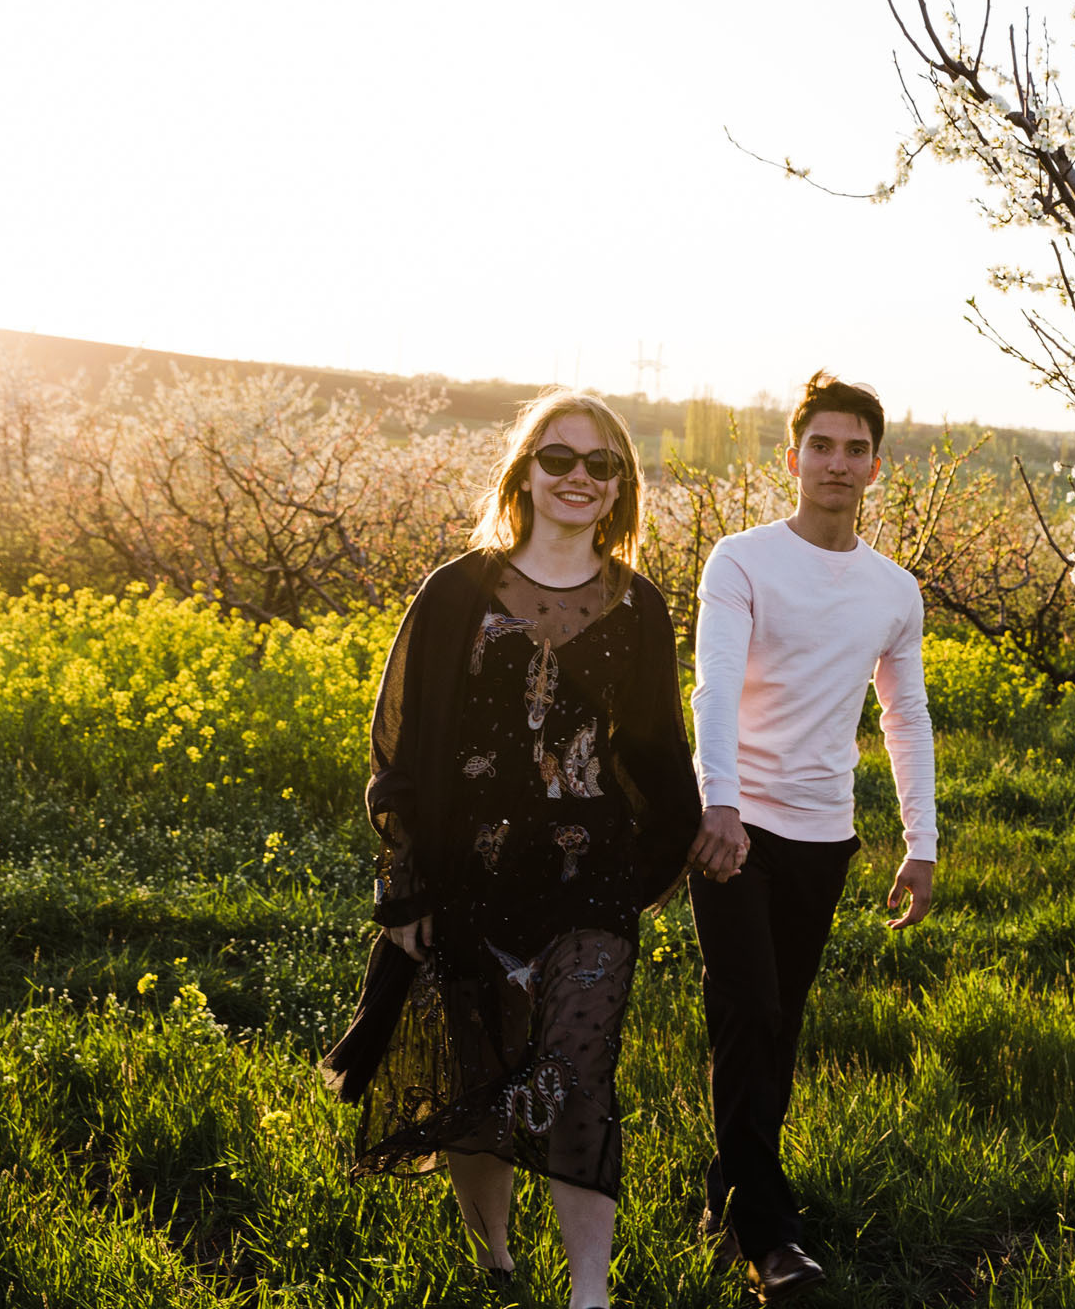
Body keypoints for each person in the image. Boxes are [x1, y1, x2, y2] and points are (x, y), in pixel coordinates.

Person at [319, 387, 701, 1309]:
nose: (578, 477)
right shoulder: (456, 593)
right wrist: (407, 885)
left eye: (600, 464)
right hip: (469, 880)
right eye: (558, 458)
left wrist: (649, 868)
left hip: (589, 884)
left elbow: (657, 751)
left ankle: (589, 1295)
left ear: (621, 486)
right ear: (524, 473)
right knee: (481, 1082)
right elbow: (400, 748)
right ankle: (496, 1265)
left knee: (578, 1075)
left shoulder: (639, 606)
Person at [687, 371, 936, 1301]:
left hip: (824, 834)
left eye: (855, 449)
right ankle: (771, 1235)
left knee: (777, 1022)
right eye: (821, 446)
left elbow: (905, 717)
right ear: (791, 459)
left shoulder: (894, 591)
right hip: (734, 824)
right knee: (748, 1010)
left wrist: (921, 840)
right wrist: (717, 803)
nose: (837, 462)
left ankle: (728, 1191)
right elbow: (713, 687)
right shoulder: (742, 561)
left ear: (876, 466)